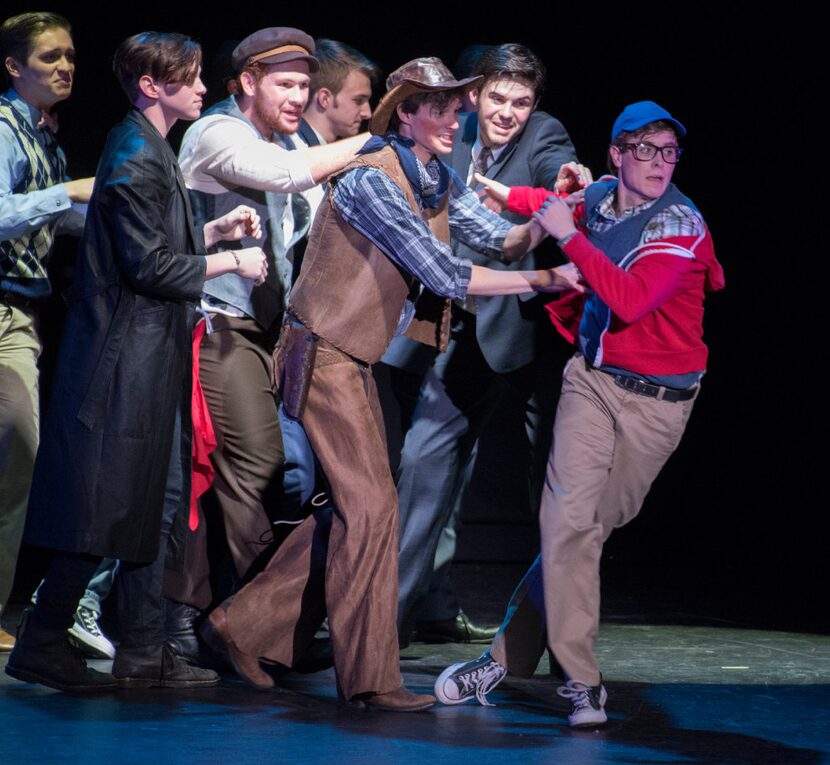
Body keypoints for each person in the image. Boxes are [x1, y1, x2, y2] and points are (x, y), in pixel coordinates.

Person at [200, 56, 582, 712]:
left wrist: (555, 214)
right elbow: (446, 274)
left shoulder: (433, 174)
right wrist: (546, 281)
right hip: (321, 352)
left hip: (353, 357)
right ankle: (369, 679)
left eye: (456, 107)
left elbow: (504, 240)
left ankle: (242, 624)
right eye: (438, 107)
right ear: (404, 111)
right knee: (372, 509)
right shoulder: (374, 176)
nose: (453, 118)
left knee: (362, 511)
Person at [434, 101, 724, 727]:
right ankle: (583, 683)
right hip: (592, 381)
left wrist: (563, 235)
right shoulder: (599, 197)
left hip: (658, 405)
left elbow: (629, 299)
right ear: (617, 154)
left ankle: (501, 662)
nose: (658, 164)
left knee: (582, 534)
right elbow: (554, 199)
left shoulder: (678, 225)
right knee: (565, 522)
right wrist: (507, 194)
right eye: (644, 150)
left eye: (668, 151)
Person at [5, 30, 267, 693]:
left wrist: (212, 232)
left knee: (154, 503)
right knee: (108, 509)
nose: (205, 88)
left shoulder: (148, 150)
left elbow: (144, 245)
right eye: (193, 76)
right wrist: (231, 260)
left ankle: (144, 649)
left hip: (148, 356)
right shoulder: (134, 156)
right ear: (153, 85)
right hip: (123, 362)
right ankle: (42, 642)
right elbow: (147, 266)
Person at [173, 28, 379, 631]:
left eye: (303, 86)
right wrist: (379, 141)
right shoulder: (218, 133)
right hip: (214, 324)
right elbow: (286, 175)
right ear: (247, 83)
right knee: (254, 463)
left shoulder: (275, 139)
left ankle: (217, 615)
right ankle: (244, 617)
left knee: (243, 473)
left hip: (260, 331)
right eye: (284, 85)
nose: (298, 97)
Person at [383, 43, 579, 646]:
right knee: (424, 463)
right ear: (475, 96)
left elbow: (555, 174)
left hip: (527, 335)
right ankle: (390, 621)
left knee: (557, 492)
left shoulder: (544, 136)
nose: (507, 111)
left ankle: (553, 643)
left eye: (521, 101)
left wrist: (566, 188)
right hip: (450, 323)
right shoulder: (448, 132)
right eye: (497, 97)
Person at [0, 11, 95, 652]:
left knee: (19, 455)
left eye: (68, 56)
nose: (64, 67)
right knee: (15, 444)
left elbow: (50, 227)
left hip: (23, 314)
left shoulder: (44, 138)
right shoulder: (4, 129)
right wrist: (67, 192)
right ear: (14, 66)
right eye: (49, 57)